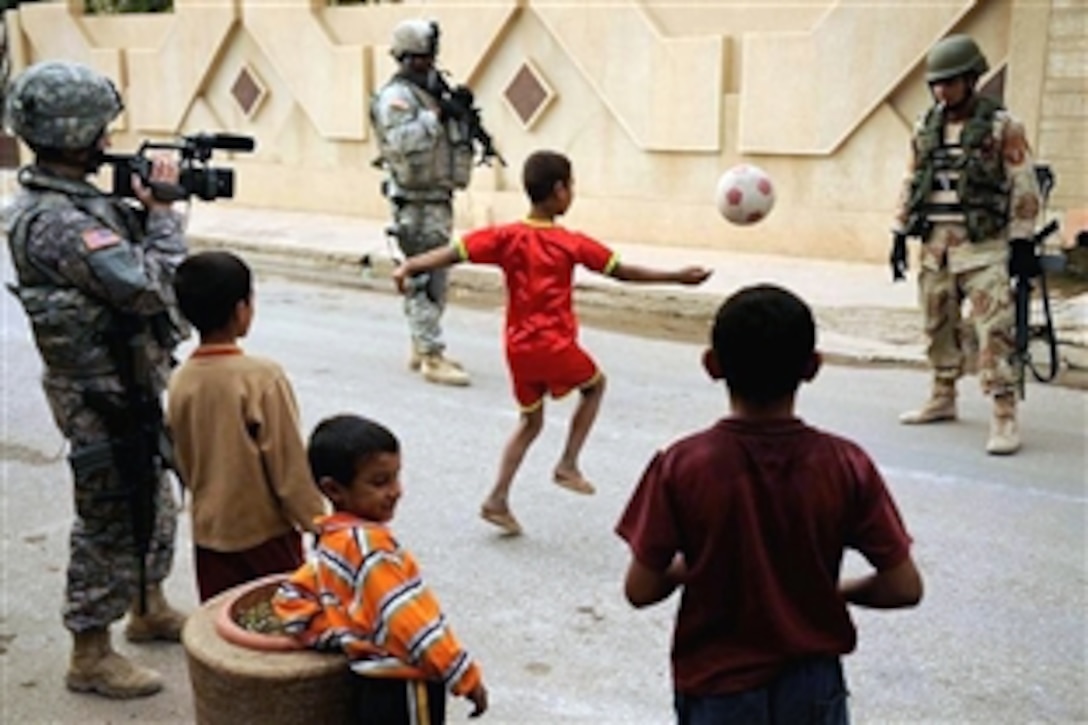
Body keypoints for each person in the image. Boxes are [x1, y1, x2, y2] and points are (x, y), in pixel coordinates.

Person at [615, 284, 924, 725]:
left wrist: (699, 561)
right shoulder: (845, 463)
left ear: (712, 365)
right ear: (813, 368)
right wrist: (833, 590)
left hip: (716, 689)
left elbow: (640, 590)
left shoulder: (683, 465)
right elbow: (904, 587)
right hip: (813, 687)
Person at [393, 150, 711, 536]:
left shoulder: (505, 237)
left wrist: (411, 264)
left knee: (530, 421)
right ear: (559, 190)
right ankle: (568, 464)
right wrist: (677, 277)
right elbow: (623, 272)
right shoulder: (569, 243)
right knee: (595, 387)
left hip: (517, 347)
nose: (572, 192)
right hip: (553, 344)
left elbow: (454, 253)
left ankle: (497, 499)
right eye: (571, 185)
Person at [3, 60, 189, 698]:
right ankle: (89, 651)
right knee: (108, 509)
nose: (110, 140)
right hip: (96, 392)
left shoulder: (78, 202)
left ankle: (147, 605)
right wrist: (165, 216)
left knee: (152, 490)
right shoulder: (55, 220)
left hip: (125, 380)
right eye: (101, 129)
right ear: (76, 132)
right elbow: (149, 289)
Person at [272, 414, 489, 723]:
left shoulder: (331, 540)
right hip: (407, 686)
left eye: (396, 477)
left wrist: (341, 636)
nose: (395, 490)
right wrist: (464, 676)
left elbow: (291, 599)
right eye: (379, 482)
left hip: (371, 688)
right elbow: (408, 620)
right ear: (333, 490)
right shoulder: (371, 548)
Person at [890, 33, 1042, 455]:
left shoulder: (1002, 127)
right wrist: (899, 233)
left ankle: (1004, 412)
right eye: (936, 83)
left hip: (984, 246)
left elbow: (1023, 183)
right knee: (936, 323)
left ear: (972, 79)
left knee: (995, 330)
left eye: (950, 81)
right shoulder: (926, 127)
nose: (942, 90)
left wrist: (1022, 240)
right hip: (936, 245)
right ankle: (942, 395)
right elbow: (911, 179)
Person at [167, 251, 326, 603]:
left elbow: (182, 456)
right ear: (242, 310)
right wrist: (316, 522)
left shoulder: (180, 380)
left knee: (224, 621)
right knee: (279, 618)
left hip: (209, 531)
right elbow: (288, 464)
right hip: (265, 531)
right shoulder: (262, 377)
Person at [371, 17, 477, 387]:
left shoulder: (431, 91)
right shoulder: (396, 98)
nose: (427, 64)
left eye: (429, 56)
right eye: (418, 58)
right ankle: (432, 355)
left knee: (437, 276)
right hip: (413, 201)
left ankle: (423, 344)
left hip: (436, 196)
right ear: (404, 58)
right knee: (421, 278)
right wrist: (436, 116)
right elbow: (402, 142)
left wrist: (459, 112)